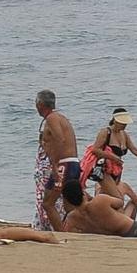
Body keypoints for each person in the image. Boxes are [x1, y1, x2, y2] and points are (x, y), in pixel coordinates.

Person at [85, 107, 137, 211]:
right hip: (105, 171)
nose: (125, 125)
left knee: (109, 198)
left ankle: (105, 220)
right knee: (118, 199)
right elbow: (95, 150)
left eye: (126, 123)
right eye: (123, 123)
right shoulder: (105, 132)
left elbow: (134, 149)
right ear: (115, 120)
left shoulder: (124, 134)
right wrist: (112, 156)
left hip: (117, 171)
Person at [35, 89, 79, 231]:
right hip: (72, 163)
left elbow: (60, 139)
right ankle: (75, 229)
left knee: (48, 203)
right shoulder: (60, 117)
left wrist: (54, 166)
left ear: (41, 104)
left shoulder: (52, 118)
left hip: (64, 163)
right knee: (68, 204)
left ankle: (62, 234)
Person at [61, 181, 137, 238]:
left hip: (111, 236)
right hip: (132, 230)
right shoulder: (100, 200)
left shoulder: (72, 218)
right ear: (83, 193)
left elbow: (71, 235)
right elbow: (119, 202)